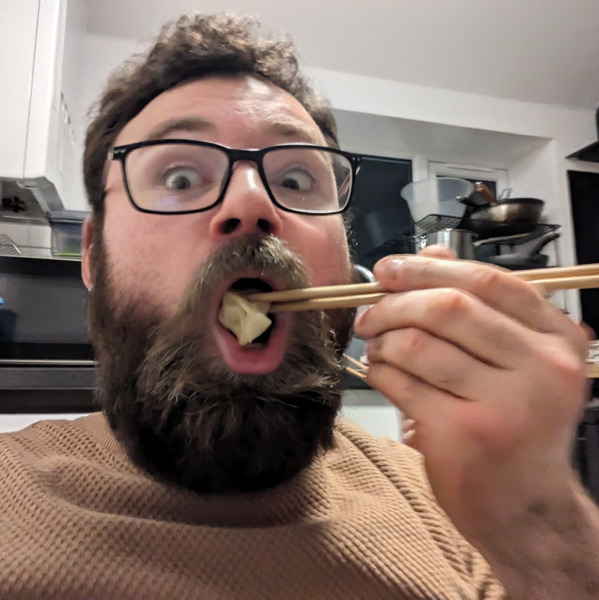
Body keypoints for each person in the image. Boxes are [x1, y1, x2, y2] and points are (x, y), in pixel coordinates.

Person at [0, 11, 597, 600]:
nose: (251, 203)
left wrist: (537, 525)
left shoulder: (457, 504)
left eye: (293, 180)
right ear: (93, 255)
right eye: (180, 178)